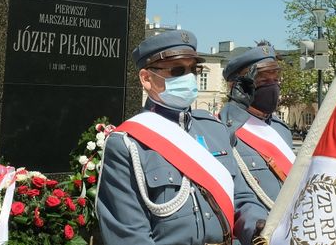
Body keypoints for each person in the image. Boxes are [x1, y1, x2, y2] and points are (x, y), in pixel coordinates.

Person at [97, 30, 267, 245]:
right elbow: (129, 235)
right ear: (147, 78)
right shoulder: (127, 143)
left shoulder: (214, 129)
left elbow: (241, 199)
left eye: (192, 70)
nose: (188, 77)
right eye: (177, 70)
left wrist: (258, 226)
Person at [219, 43, 294, 210]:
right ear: (237, 86)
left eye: (275, 80)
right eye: (263, 80)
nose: (273, 86)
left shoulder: (281, 129)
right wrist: (236, 107)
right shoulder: (224, 127)